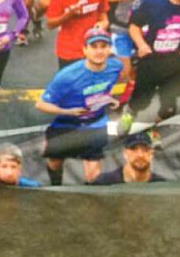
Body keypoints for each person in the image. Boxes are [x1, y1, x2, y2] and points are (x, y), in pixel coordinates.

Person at [36, 27, 124, 185]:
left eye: (103, 46)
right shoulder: (67, 76)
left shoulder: (115, 67)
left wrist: (108, 98)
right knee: (55, 161)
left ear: (109, 49)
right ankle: (56, 188)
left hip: (95, 123)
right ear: (85, 50)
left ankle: (91, 197)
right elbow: (41, 105)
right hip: (66, 123)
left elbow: (103, 87)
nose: (99, 51)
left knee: (93, 174)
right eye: (94, 47)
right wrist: (68, 112)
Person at [121, 0, 180, 132]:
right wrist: (141, 44)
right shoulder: (153, 3)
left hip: (176, 62)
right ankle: (129, 112)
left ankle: (156, 132)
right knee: (141, 101)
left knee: (169, 107)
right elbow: (134, 26)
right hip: (151, 61)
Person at [105, 0, 168, 107]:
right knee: (123, 71)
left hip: (147, 29)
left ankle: (128, 99)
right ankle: (100, 93)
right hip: (123, 27)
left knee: (143, 67)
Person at [45, 0, 110, 68]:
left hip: (92, 47)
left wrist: (104, 23)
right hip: (69, 50)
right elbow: (50, 24)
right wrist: (69, 15)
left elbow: (102, 13)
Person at [92, 131, 165, 184]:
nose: (140, 155)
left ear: (151, 154)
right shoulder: (105, 182)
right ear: (125, 153)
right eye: (134, 149)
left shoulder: (160, 186)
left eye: (145, 150)